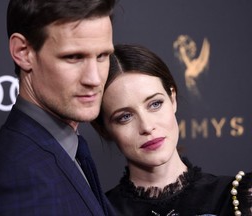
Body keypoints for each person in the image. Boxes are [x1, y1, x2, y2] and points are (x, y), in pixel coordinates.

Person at [0, 0, 116, 215]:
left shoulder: (63, 146)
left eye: (102, 56)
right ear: (23, 52)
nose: (94, 79)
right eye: (73, 57)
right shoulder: (16, 181)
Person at [92, 44, 252, 216]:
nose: (146, 126)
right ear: (104, 129)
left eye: (155, 104)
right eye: (125, 117)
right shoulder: (99, 211)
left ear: (172, 98)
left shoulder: (238, 197)